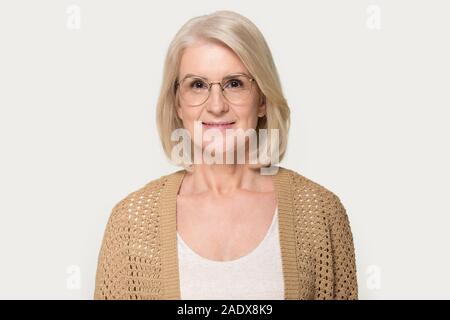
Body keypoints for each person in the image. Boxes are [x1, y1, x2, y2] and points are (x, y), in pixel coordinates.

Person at [94, 10, 358, 300]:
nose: (216, 106)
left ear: (262, 100)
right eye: (197, 85)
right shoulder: (131, 224)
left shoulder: (321, 214)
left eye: (235, 83)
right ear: (178, 103)